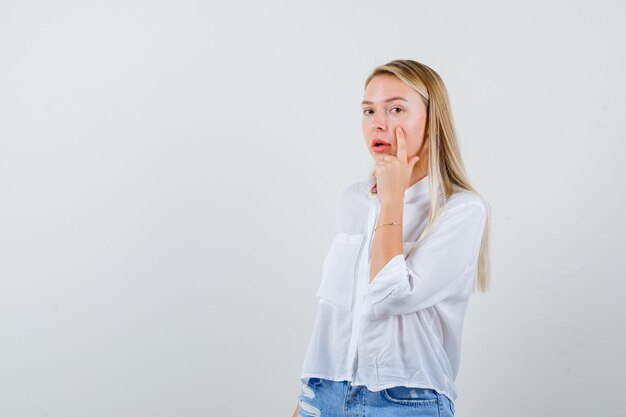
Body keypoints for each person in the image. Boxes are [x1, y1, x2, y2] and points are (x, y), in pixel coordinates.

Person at [292, 59, 491, 417]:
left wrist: (393, 197)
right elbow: (337, 316)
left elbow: (388, 296)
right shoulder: (353, 200)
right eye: (368, 111)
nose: (378, 123)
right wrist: (305, 399)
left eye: (395, 109)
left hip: (404, 403)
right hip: (324, 396)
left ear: (433, 121)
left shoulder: (462, 210)